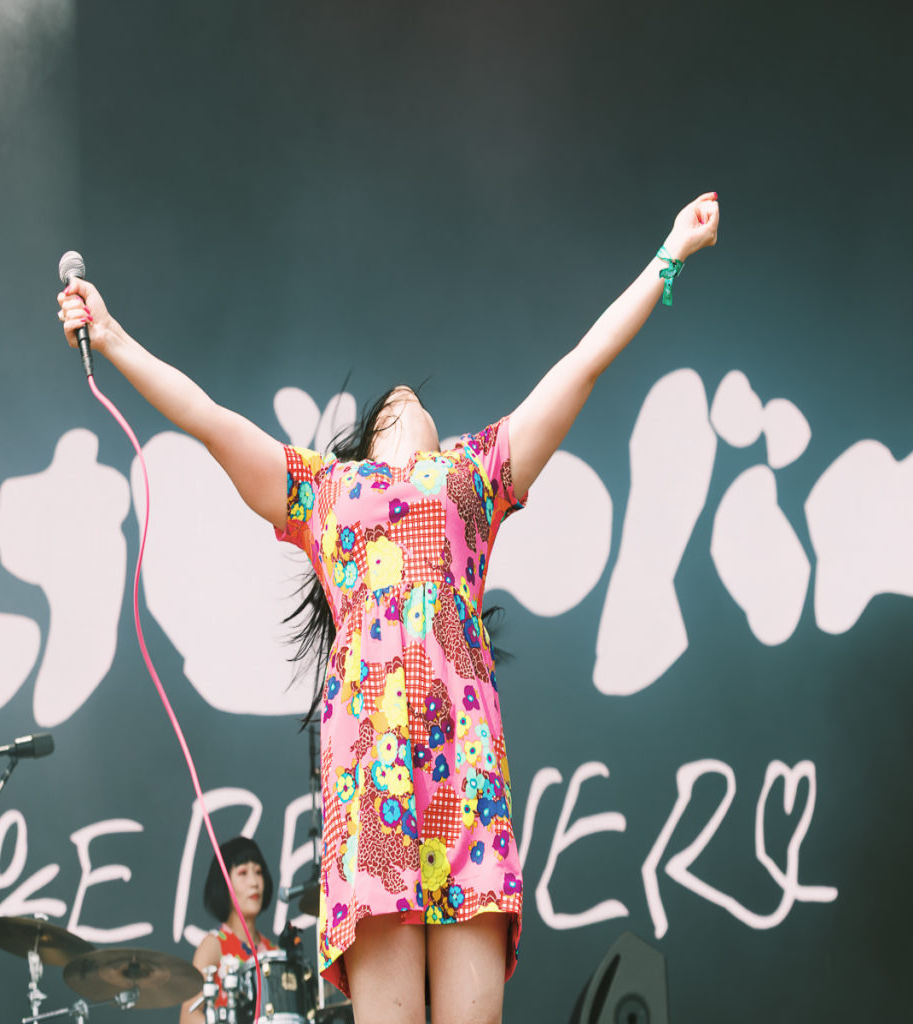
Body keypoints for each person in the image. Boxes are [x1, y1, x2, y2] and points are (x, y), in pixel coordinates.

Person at [58, 192, 719, 1024]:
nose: (406, 396)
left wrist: (670, 253)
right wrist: (112, 336)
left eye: (418, 402)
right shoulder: (321, 490)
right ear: (368, 438)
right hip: (371, 776)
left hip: (465, 768)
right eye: (390, 403)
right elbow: (210, 419)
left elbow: (582, 363)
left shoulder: (479, 473)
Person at [179, 836, 276, 1024]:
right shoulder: (214, 945)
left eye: (258, 872)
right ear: (224, 883)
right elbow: (188, 1015)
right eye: (243, 873)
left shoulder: (274, 953)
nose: (254, 882)